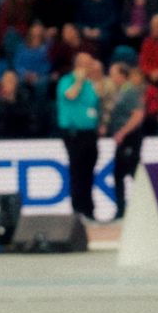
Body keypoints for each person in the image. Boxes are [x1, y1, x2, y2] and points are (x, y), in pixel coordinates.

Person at [57, 51, 102, 223]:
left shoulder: (91, 84)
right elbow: (71, 95)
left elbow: (95, 104)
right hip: (73, 134)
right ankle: (77, 210)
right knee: (77, 171)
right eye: (87, 63)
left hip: (90, 133)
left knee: (89, 172)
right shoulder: (66, 81)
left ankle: (89, 210)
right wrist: (79, 81)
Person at [103, 62, 147, 218]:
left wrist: (123, 132)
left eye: (113, 73)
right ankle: (123, 209)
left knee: (130, 171)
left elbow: (138, 114)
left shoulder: (130, 92)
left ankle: (131, 209)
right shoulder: (122, 91)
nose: (111, 77)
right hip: (125, 137)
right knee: (121, 173)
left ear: (122, 75)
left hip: (130, 137)